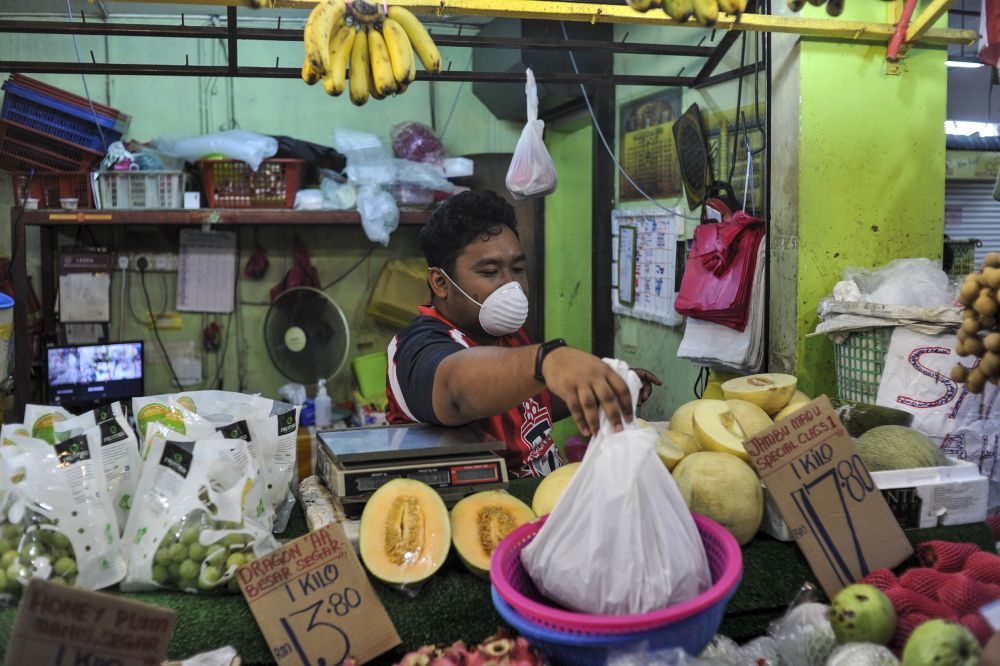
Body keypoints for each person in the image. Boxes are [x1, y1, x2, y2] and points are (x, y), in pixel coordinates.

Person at [386, 190, 661, 478]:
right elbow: (456, 389)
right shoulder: (416, 348)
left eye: (517, 268)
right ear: (441, 282)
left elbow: (526, 408)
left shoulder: (509, 334)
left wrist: (601, 387)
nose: (511, 286)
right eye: (491, 271)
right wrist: (547, 360)